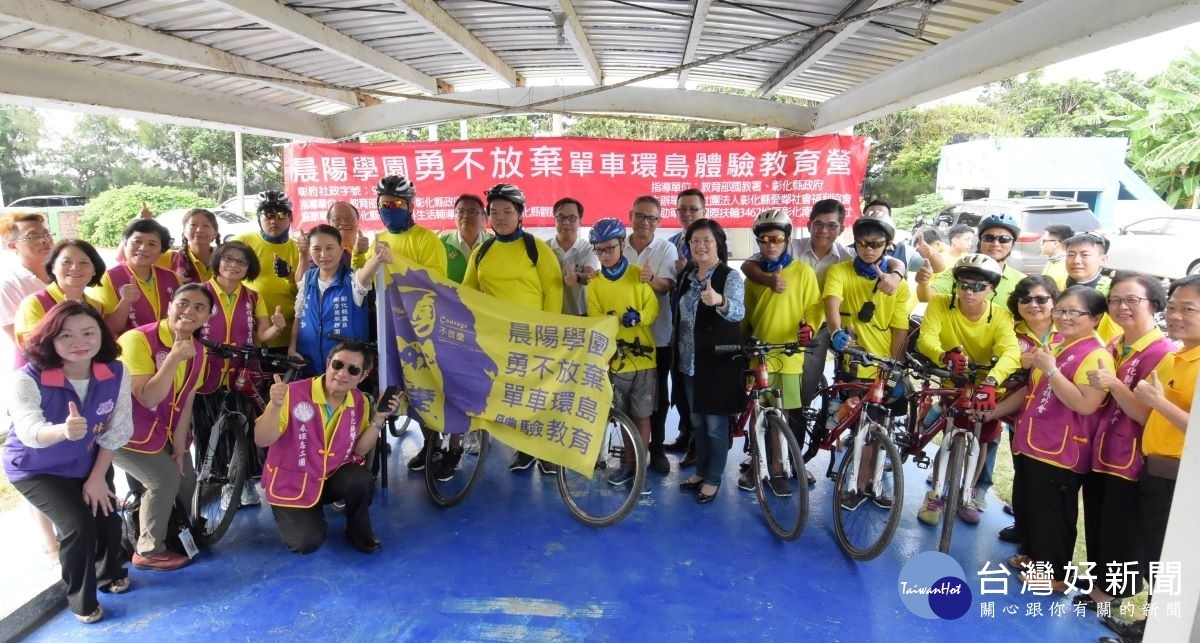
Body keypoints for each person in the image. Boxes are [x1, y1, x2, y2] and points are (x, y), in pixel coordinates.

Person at [3, 301, 132, 624]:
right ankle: (82, 601)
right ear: (49, 339)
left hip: (85, 459)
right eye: (66, 335)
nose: (79, 343)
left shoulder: (115, 371)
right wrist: (62, 430)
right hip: (35, 467)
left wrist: (97, 478)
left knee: (106, 515)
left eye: (88, 333)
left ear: (101, 335)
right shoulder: (27, 378)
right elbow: (30, 431)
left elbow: (118, 430)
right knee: (78, 524)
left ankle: (110, 573)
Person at [988, 285, 1112, 594]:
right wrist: (993, 413)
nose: (1064, 317)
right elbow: (1030, 391)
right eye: (1061, 310)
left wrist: (1052, 371)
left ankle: (1055, 575)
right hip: (1037, 442)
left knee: (1055, 513)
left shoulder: (1096, 355)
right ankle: (1036, 558)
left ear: (1096, 317)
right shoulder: (1059, 346)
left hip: (1064, 450)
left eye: (1075, 312)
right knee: (1035, 507)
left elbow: (1085, 404)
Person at [1100, 275, 1200, 641]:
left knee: (1171, 565)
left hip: (1181, 481)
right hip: (1154, 472)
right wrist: (1117, 386)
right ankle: (1148, 629)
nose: (1175, 315)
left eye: (1188, 309)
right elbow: (1144, 414)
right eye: (1172, 307)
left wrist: (1158, 402)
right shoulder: (1177, 357)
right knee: (1158, 560)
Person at [1077, 273, 1173, 612]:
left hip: (1130, 455)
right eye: (1115, 300)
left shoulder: (1162, 352)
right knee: (1099, 516)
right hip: (1100, 447)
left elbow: (1148, 416)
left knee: (1122, 525)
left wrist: (1115, 384)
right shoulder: (1116, 343)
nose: (1121, 307)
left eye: (1132, 300)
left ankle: (1112, 591)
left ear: (1155, 305)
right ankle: (1100, 579)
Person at [255, 341, 395, 554]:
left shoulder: (360, 402)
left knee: (361, 479)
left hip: (329, 476)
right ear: (328, 363)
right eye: (338, 365)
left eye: (353, 369)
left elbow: (359, 451)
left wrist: (378, 418)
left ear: (363, 376)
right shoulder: (292, 393)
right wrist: (274, 407)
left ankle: (357, 531)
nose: (342, 374)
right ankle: (298, 512)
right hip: (292, 482)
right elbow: (261, 440)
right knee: (306, 543)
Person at [914, 254, 1021, 526]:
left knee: (983, 438)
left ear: (991, 290)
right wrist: (943, 356)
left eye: (978, 286)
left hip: (987, 385)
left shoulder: (1000, 316)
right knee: (950, 437)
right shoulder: (940, 303)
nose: (969, 291)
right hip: (954, 380)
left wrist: (992, 381)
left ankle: (968, 492)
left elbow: (1010, 351)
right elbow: (927, 338)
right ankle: (936, 494)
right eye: (963, 284)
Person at [113, 284, 213, 571]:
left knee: (186, 478)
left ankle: (172, 531)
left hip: (162, 433)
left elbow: (186, 400)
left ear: (207, 317)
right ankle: (148, 549)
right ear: (169, 306)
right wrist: (173, 357)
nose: (189, 311)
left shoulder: (199, 351)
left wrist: (180, 449)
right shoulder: (137, 340)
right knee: (164, 480)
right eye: (182, 303)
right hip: (124, 434)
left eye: (199, 308)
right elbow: (147, 397)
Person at [464, 183, 563, 473]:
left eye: (508, 211)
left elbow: (553, 293)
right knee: (512, 396)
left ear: (520, 214)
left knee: (539, 394)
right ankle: (523, 449)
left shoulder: (537, 249)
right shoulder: (482, 251)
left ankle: (546, 452)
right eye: (494, 212)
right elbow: (467, 291)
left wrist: (547, 334)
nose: (501, 218)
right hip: (495, 339)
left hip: (533, 337)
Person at [355, 176, 449, 473]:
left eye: (396, 204)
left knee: (423, 385)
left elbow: (434, 282)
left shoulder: (426, 239)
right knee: (390, 383)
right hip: (387, 325)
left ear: (410, 205)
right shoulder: (379, 240)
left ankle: (432, 442)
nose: (390, 209)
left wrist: (397, 263)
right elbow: (366, 278)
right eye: (384, 204)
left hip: (417, 326)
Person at [824, 208, 913, 509]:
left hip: (881, 370)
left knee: (876, 431)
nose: (868, 249)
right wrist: (836, 332)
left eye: (876, 244)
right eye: (863, 242)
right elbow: (832, 303)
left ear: (887, 244)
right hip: (851, 362)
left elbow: (901, 330)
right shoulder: (840, 271)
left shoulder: (897, 285)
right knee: (851, 429)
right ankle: (856, 478)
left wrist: (896, 369)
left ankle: (864, 486)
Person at [194, 241, 287, 508]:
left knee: (245, 428)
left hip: (243, 371)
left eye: (241, 262)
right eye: (228, 259)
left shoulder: (254, 296)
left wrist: (277, 328)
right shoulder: (200, 292)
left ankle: (243, 482)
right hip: (205, 373)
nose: (234, 265)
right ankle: (215, 481)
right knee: (209, 428)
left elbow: (262, 335)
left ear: (249, 268)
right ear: (217, 261)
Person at [738, 209, 822, 493]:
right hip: (758, 355)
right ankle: (756, 462)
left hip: (788, 356)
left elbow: (814, 306)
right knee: (758, 411)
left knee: (784, 413)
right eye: (763, 239)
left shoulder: (803, 272)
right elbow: (746, 316)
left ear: (787, 240)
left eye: (776, 238)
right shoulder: (754, 278)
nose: (770, 244)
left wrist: (809, 327)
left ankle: (778, 467)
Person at [585, 218, 658, 494]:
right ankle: (627, 465)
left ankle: (639, 468)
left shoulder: (639, 275)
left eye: (609, 248)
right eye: (599, 250)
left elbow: (652, 309)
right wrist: (613, 321)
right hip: (615, 361)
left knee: (641, 416)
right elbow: (595, 318)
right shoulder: (595, 284)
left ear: (622, 244)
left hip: (644, 359)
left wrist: (639, 317)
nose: (604, 255)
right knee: (622, 415)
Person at [0, 213, 58, 560]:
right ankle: (50, 544)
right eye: (33, 235)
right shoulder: (10, 282)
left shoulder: (55, 272)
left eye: (45, 233)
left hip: (71, 372)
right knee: (39, 456)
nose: (43, 240)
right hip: (38, 373)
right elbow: (23, 341)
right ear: (12, 245)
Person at [676, 219, 746, 504]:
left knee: (716, 426)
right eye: (695, 241)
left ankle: (714, 479)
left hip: (717, 362)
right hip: (688, 362)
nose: (700, 246)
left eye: (706, 240)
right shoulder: (687, 276)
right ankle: (701, 471)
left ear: (718, 244)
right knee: (697, 422)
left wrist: (720, 301)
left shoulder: (729, 277)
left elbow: (739, 312)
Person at [997, 275, 1062, 544]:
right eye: (1025, 299)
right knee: (1021, 469)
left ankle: (1040, 541)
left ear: (1054, 301)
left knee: (1047, 479)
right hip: (1019, 414)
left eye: (1041, 299)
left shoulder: (1068, 331)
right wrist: (1017, 363)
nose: (1033, 304)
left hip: (1056, 416)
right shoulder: (1011, 331)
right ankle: (1022, 526)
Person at [623, 195, 679, 475]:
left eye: (652, 218)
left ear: (659, 221)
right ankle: (629, 450)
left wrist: (650, 279)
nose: (645, 222)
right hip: (622, 336)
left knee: (658, 396)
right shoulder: (617, 245)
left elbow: (667, 285)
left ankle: (656, 448)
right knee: (623, 393)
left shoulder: (666, 248)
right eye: (640, 216)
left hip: (657, 336)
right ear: (630, 214)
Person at [292, 225, 384, 377]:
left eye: (330, 248)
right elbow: (299, 315)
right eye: (316, 249)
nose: (323, 255)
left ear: (341, 248)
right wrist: (292, 348)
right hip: (308, 365)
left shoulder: (352, 280)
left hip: (346, 372)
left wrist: (377, 258)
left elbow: (365, 275)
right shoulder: (308, 278)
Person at [90, 218, 182, 336]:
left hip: (168, 347)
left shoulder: (172, 278)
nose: (143, 248)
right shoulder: (108, 278)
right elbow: (108, 329)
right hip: (128, 350)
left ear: (161, 251)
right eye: (137, 241)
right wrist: (126, 301)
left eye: (152, 244)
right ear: (125, 242)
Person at [234, 191, 300, 352]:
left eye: (280, 214)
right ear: (258, 218)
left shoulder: (299, 248)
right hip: (247, 334)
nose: (273, 221)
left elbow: (304, 294)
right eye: (267, 215)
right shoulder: (242, 242)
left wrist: (290, 276)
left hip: (287, 336)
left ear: (290, 218)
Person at [14, 239, 107, 351]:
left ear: (94, 270)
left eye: (83, 262)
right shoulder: (34, 303)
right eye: (66, 262)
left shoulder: (96, 306)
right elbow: (32, 348)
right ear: (53, 267)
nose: (75, 268)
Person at [918, 214, 1025, 305]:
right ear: (980, 242)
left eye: (1004, 239)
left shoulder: (1021, 281)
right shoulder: (960, 270)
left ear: (1012, 244)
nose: (995, 244)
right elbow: (926, 297)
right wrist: (923, 283)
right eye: (989, 238)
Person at [1063, 231, 1121, 342]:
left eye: (1085, 255)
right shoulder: (1060, 286)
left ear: (1103, 259)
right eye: (1071, 255)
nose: (1076, 261)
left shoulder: (1112, 293)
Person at [548, 197, 599, 316]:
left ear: (580, 220)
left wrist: (577, 277)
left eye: (572, 218)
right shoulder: (544, 248)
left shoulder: (589, 248)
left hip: (580, 316)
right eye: (561, 217)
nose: (566, 222)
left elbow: (591, 278)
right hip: (550, 316)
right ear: (554, 220)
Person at [440, 194, 490, 284]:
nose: (466, 215)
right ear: (454, 215)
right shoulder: (441, 244)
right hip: (451, 297)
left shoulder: (492, 244)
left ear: (483, 216)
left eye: (472, 212)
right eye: (460, 211)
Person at [161, 208, 219, 285]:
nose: (199, 230)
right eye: (193, 225)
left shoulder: (224, 260)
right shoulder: (169, 258)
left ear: (215, 233)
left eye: (206, 225)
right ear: (184, 231)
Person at [669, 188, 706, 274]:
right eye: (682, 209)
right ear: (676, 212)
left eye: (693, 209)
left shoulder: (713, 241)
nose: (687, 213)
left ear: (704, 212)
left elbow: (719, 274)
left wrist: (688, 269)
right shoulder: (671, 241)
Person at [1039, 224, 1074, 290]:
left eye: (1043, 241)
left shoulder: (1067, 267)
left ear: (1055, 244)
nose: (1040, 243)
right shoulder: (1052, 260)